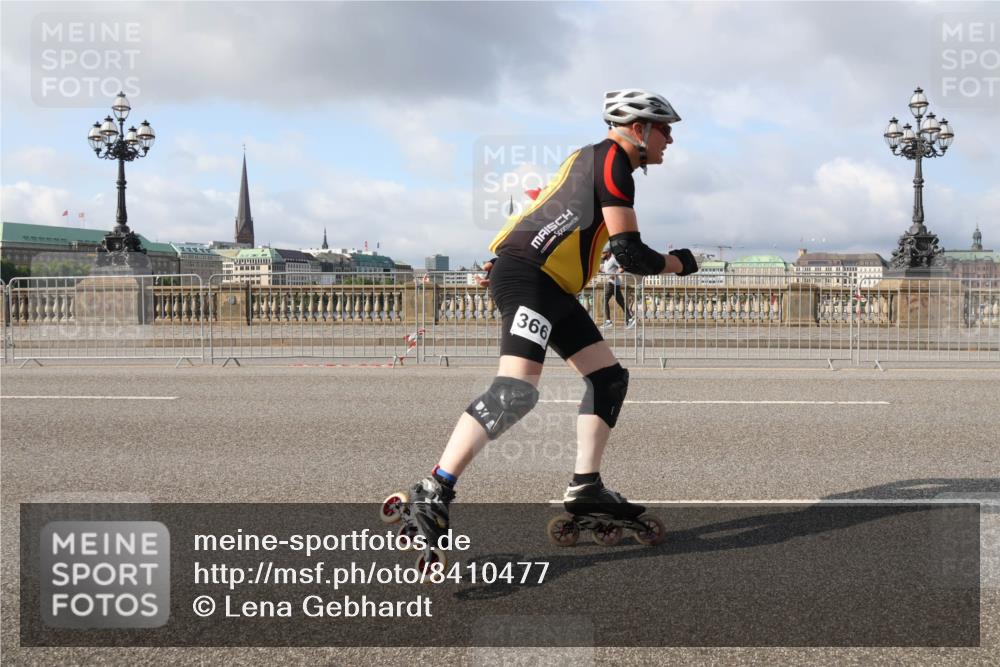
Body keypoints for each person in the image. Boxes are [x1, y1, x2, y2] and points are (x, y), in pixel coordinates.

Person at [402, 89, 699, 546]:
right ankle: (434, 487)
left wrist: (501, 254)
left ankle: (586, 487)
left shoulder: (588, 159)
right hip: (531, 280)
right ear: (639, 129)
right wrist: (680, 262)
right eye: (665, 130)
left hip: (548, 284)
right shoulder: (613, 163)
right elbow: (630, 253)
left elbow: (543, 209)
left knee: (609, 379)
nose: (670, 140)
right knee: (515, 392)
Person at [599, 248, 635, 329]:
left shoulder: (613, 259)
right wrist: (600, 270)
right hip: (615, 284)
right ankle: (630, 319)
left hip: (612, 283)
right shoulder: (605, 261)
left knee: (604, 300)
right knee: (621, 302)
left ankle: (608, 321)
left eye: (603, 253)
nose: (602, 255)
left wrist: (615, 275)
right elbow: (607, 271)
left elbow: (622, 268)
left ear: (608, 253)